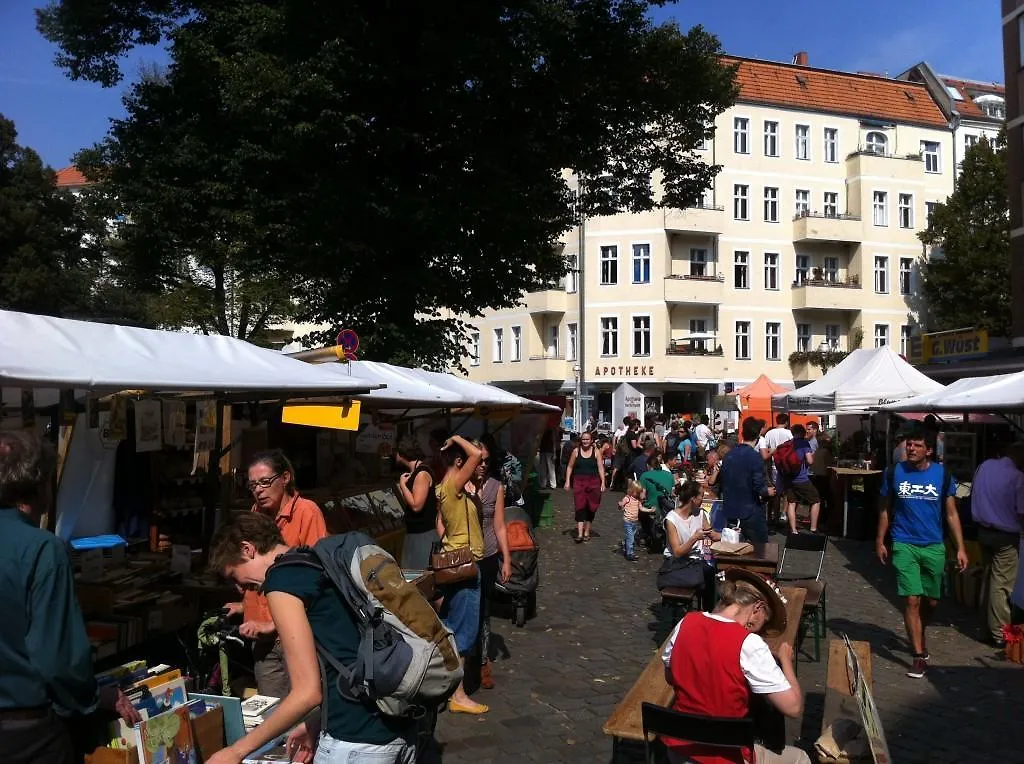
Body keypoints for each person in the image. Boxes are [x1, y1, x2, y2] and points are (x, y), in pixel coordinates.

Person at [207, 514, 416, 764]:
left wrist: (236, 752)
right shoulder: (317, 562)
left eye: (233, 575)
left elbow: (307, 693)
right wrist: (316, 721)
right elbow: (348, 656)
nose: (240, 588)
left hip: (354, 739)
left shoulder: (281, 582)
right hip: (399, 726)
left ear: (247, 549)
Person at [0, 431, 139, 764]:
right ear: (42, 484)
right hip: (26, 733)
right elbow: (56, 657)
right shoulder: (41, 548)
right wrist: (92, 697)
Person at [661, 568, 809, 764]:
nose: (761, 630)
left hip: (680, 750)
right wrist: (786, 661)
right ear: (757, 608)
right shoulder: (749, 644)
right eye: (763, 622)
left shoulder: (686, 622)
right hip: (725, 757)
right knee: (800, 758)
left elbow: (670, 676)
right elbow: (793, 707)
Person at [224, 450, 328, 699]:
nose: (258, 490)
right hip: (260, 637)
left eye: (264, 482)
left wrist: (273, 623)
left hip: (293, 633)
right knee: (272, 711)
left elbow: (316, 575)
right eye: (252, 485)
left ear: (285, 478)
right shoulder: (254, 515)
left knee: (306, 706)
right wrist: (243, 605)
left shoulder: (306, 512)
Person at [877, 426, 969, 679]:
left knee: (931, 600)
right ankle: (918, 655)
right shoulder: (894, 472)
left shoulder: (942, 475)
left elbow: (951, 513)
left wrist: (960, 547)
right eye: (909, 445)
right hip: (903, 543)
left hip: (934, 545)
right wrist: (880, 540)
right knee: (911, 600)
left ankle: (919, 630)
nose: (911, 449)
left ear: (929, 450)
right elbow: (884, 508)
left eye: (917, 445)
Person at [434, 435, 488, 714]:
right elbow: (476, 455)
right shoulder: (453, 484)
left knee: (451, 625)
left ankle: (445, 689)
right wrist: (455, 438)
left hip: (454, 562)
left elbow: (440, 524)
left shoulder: (445, 488)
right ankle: (458, 694)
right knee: (464, 632)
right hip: (465, 564)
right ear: (458, 461)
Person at [970, 444, 1024, 647]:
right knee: (1001, 584)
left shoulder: (985, 466)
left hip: (983, 530)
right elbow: (1021, 511)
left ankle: (985, 629)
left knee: (988, 579)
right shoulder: (1017, 477)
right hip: (1005, 535)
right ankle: (1001, 633)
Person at [472, 441, 512, 689]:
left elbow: (499, 525)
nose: (483, 465)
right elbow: (442, 520)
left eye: (487, 461)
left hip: (486, 554)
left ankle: (483, 661)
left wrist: (506, 558)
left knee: (484, 610)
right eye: (479, 460)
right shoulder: (457, 484)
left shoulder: (495, 487)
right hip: (463, 555)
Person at [720, 417, 776, 542]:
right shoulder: (754, 457)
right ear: (757, 436)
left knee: (732, 548)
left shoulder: (729, 456)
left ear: (742, 434)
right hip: (750, 510)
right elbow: (759, 486)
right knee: (760, 550)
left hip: (730, 509)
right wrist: (768, 491)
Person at [395, 437, 439, 571]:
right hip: (415, 533)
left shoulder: (422, 474)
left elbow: (416, 505)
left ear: (402, 453)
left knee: (419, 575)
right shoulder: (415, 472)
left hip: (423, 535)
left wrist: (402, 485)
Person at [564, 430, 606, 543]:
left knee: (591, 507)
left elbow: (601, 468)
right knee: (580, 506)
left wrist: (603, 482)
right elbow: (569, 467)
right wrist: (567, 481)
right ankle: (580, 534)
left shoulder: (596, 452)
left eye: (587, 439)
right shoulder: (576, 451)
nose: (585, 441)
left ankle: (587, 531)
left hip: (594, 482)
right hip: (579, 482)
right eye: (583, 439)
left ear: (591, 440)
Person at [782, 424, 820, 535]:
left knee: (792, 503)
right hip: (801, 478)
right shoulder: (804, 443)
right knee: (816, 500)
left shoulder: (788, 444)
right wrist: (812, 455)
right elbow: (810, 461)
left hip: (789, 478)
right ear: (802, 432)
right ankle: (813, 528)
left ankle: (793, 530)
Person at [809, 432, 834, 529]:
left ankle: (817, 519)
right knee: (826, 499)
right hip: (824, 477)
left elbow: (812, 464)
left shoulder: (816, 452)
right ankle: (824, 520)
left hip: (816, 477)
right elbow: (830, 465)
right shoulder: (825, 452)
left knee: (818, 499)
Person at [619, 480, 644, 562]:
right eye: (636, 492)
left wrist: (650, 510)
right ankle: (630, 553)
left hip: (635, 521)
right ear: (632, 491)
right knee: (631, 538)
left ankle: (626, 547)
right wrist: (620, 505)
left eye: (638, 493)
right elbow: (621, 505)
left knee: (630, 537)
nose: (637, 494)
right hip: (628, 521)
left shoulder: (637, 500)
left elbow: (641, 508)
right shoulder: (627, 498)